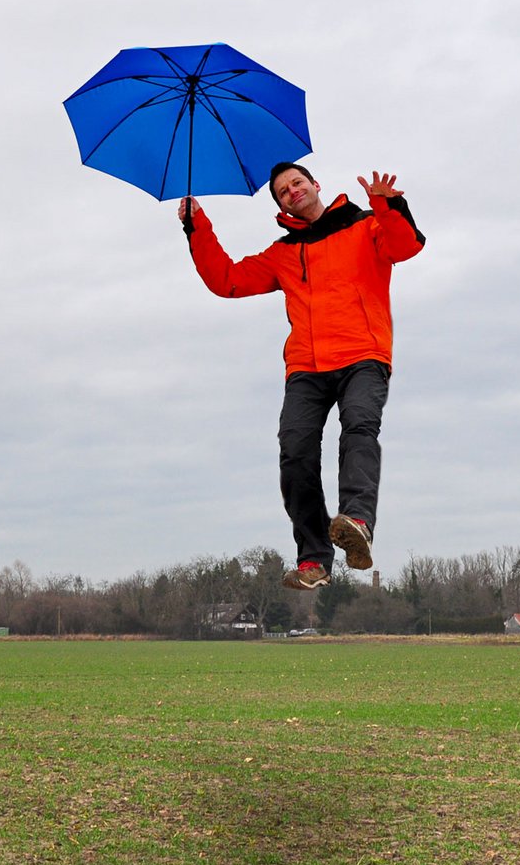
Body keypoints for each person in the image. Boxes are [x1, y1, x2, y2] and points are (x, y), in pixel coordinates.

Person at [178, 162, 425, 590]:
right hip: (307, 367)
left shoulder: (365, 227)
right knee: (295, 453)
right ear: (280, 204)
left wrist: (388, 204)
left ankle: (357, 520)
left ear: (315, 186)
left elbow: (406, 247)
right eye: (282, 191)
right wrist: (196, 226)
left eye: (297, 183)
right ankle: (314, 559)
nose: (292, 191)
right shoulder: (283, 252)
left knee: (360, 428)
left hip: (362, 354)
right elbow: (226, 280)